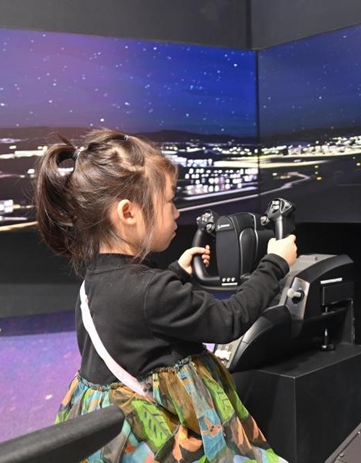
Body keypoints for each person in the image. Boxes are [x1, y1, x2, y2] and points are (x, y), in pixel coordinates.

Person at [33, 128, 297, 463]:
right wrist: (275, 264)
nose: (176, 212)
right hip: (160, 440)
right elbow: (228, 321)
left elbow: (132, 321)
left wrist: (175, 272)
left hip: (113, 438)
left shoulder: (93, 284)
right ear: (127, 213)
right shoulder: (152, 292)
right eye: (170, 201)